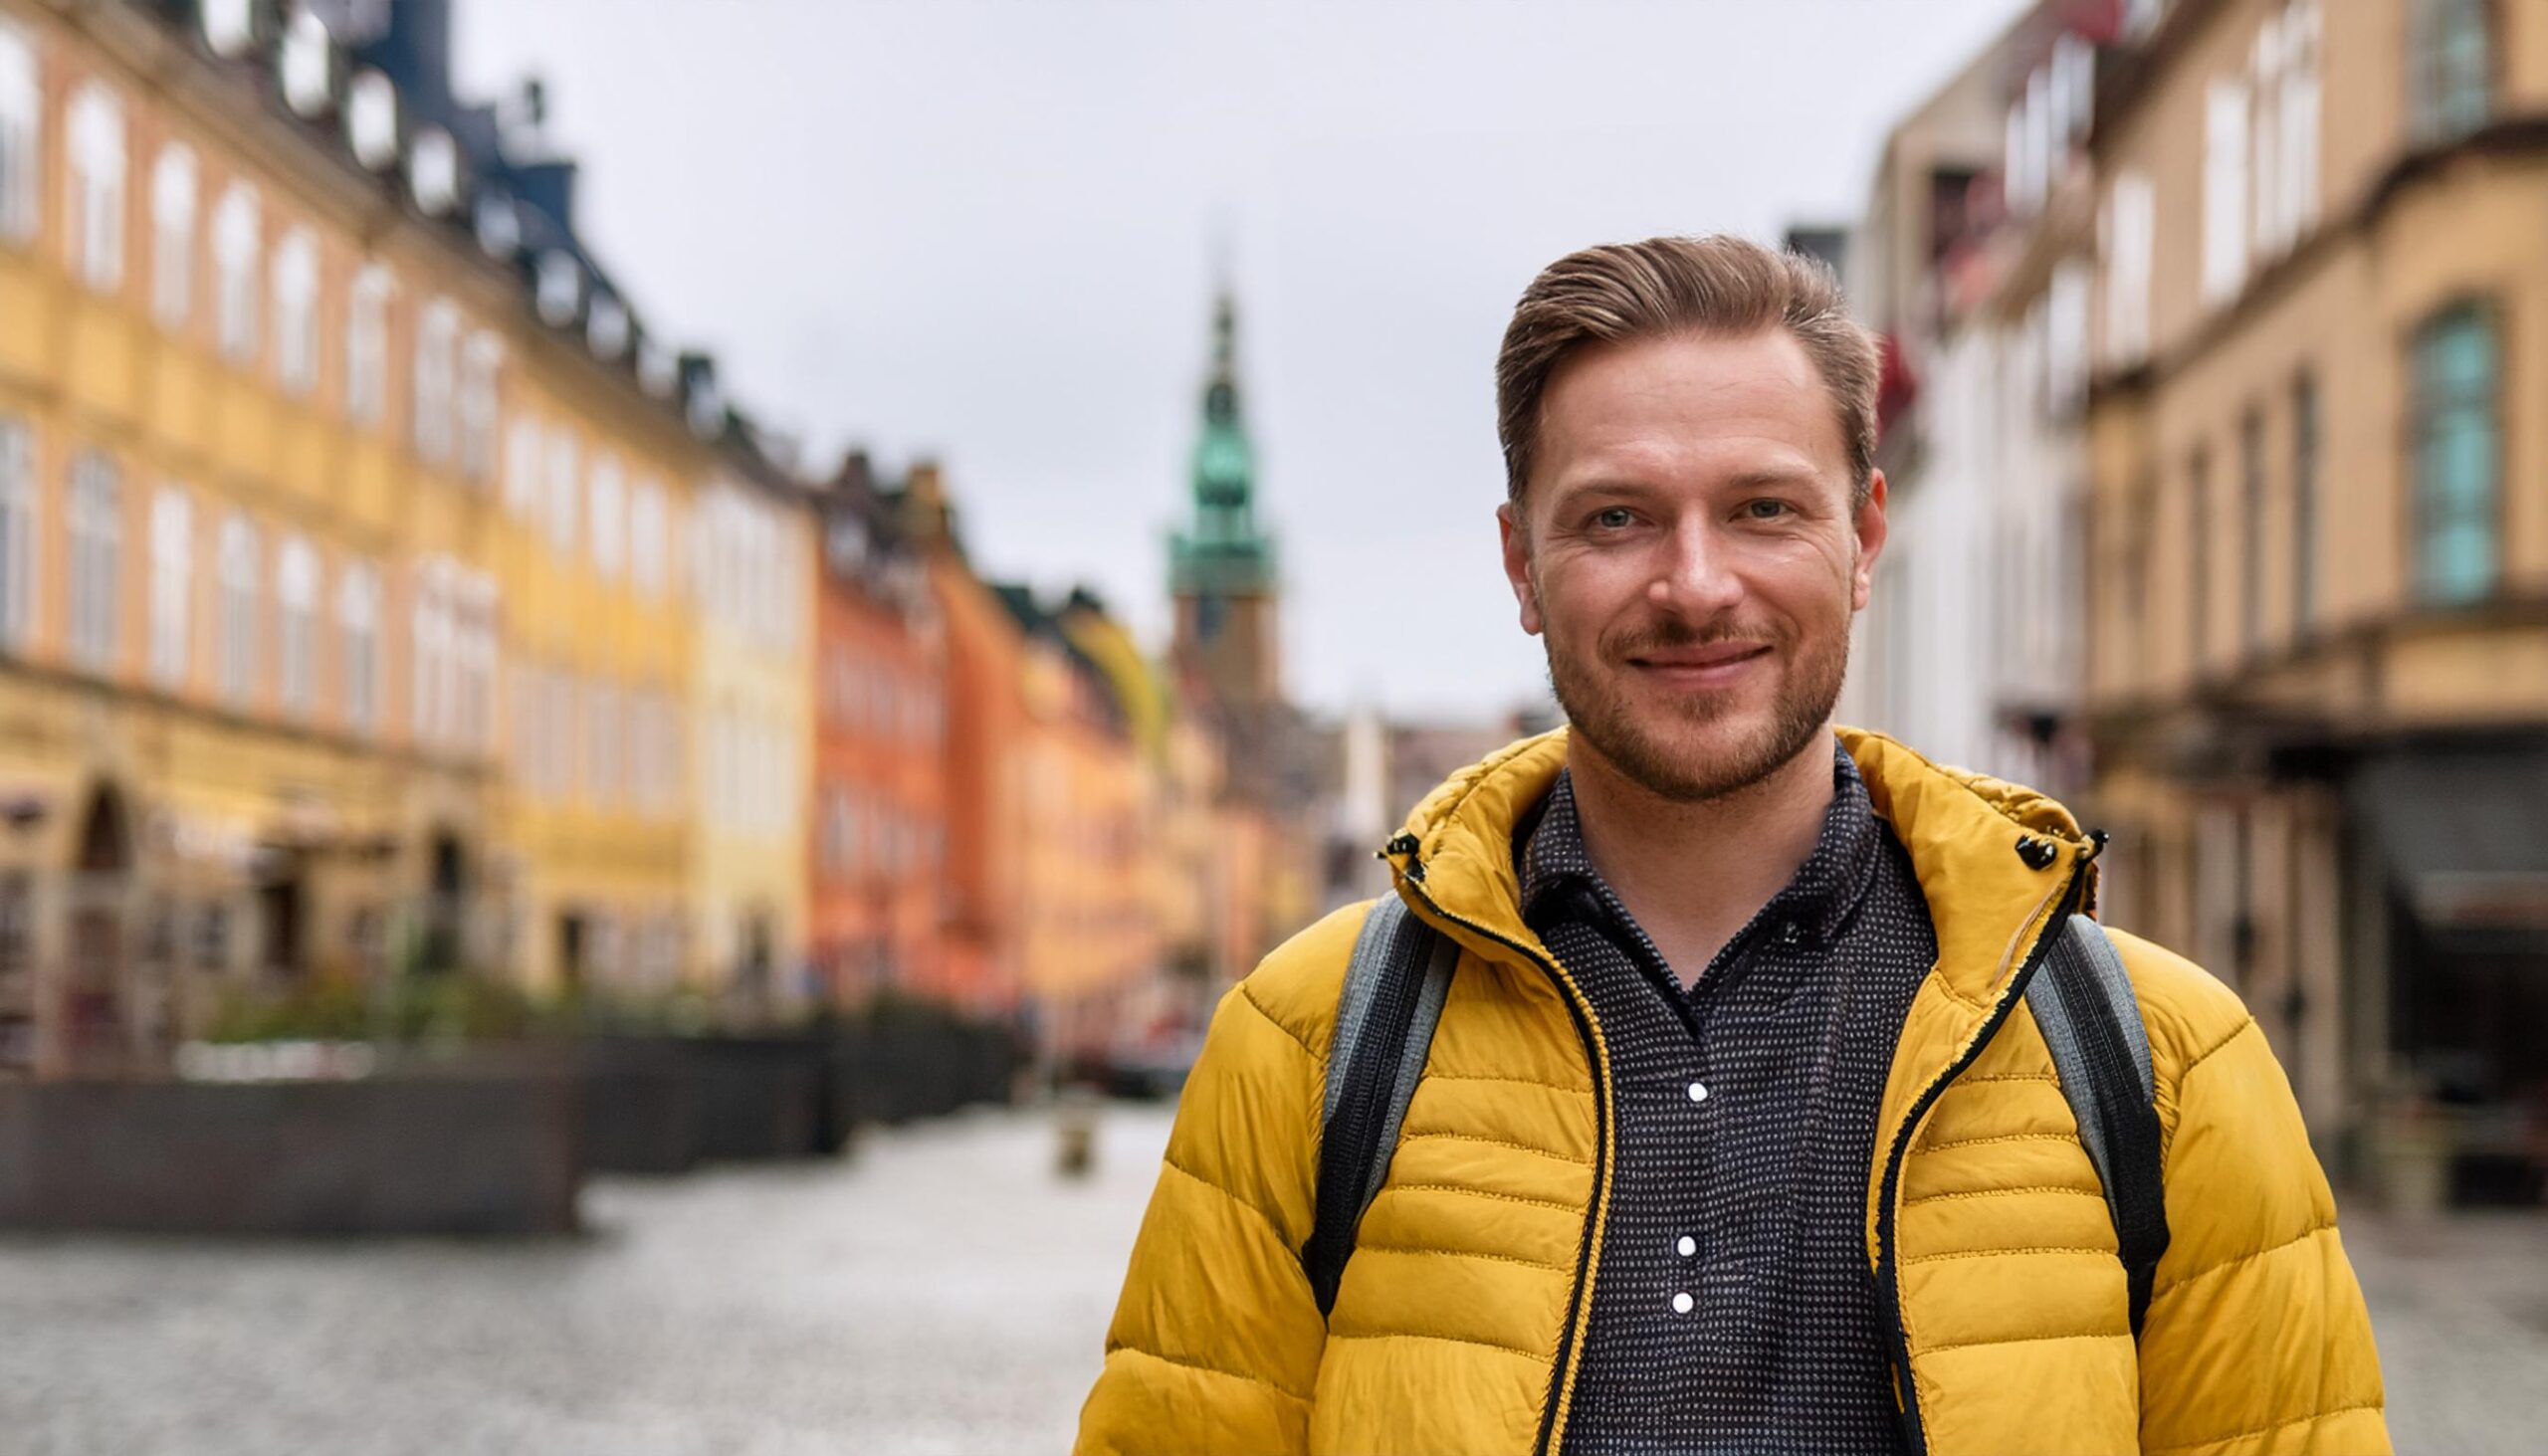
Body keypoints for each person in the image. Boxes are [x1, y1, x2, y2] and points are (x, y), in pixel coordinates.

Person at [1076, 235, 2388, 1455]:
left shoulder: (2160, 1066)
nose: (1697, 585)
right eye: (1616, 518)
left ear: (1864, 537)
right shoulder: (1310, 1051)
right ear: (1521, 566)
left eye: (1763, 509)